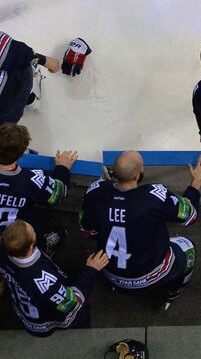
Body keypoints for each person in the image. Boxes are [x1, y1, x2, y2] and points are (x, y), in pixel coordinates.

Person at [79, 152, 201, 309]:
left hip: (109, 271)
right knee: (187, 246)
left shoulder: (95, 191)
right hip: (149, 275)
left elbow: (87, 231)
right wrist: (196, 183)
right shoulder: (153, 197)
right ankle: (174, 291)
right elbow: (190, 216)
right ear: (137, 175)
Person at [0, 219, 108, 336]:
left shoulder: (3, 252)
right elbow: (71, 304)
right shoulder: (45, 282)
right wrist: (91, 269)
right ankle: (82, 335)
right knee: (81, 313)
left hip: (26, 305)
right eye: (33, 231)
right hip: (43, 322)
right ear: (31, 245)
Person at [0, 124, 75, 254]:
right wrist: (62, 168)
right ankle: (43, 249)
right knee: (35, 237)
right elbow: (57, 195)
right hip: (20, 238)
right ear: (22, 152)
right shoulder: (31, 179)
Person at [0, 32, 66, 125]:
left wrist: (41, 60)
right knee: (9, 120)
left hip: (14, 76)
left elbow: (14, 50)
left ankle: (28, 95)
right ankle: (27, 98)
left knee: (11, 118)